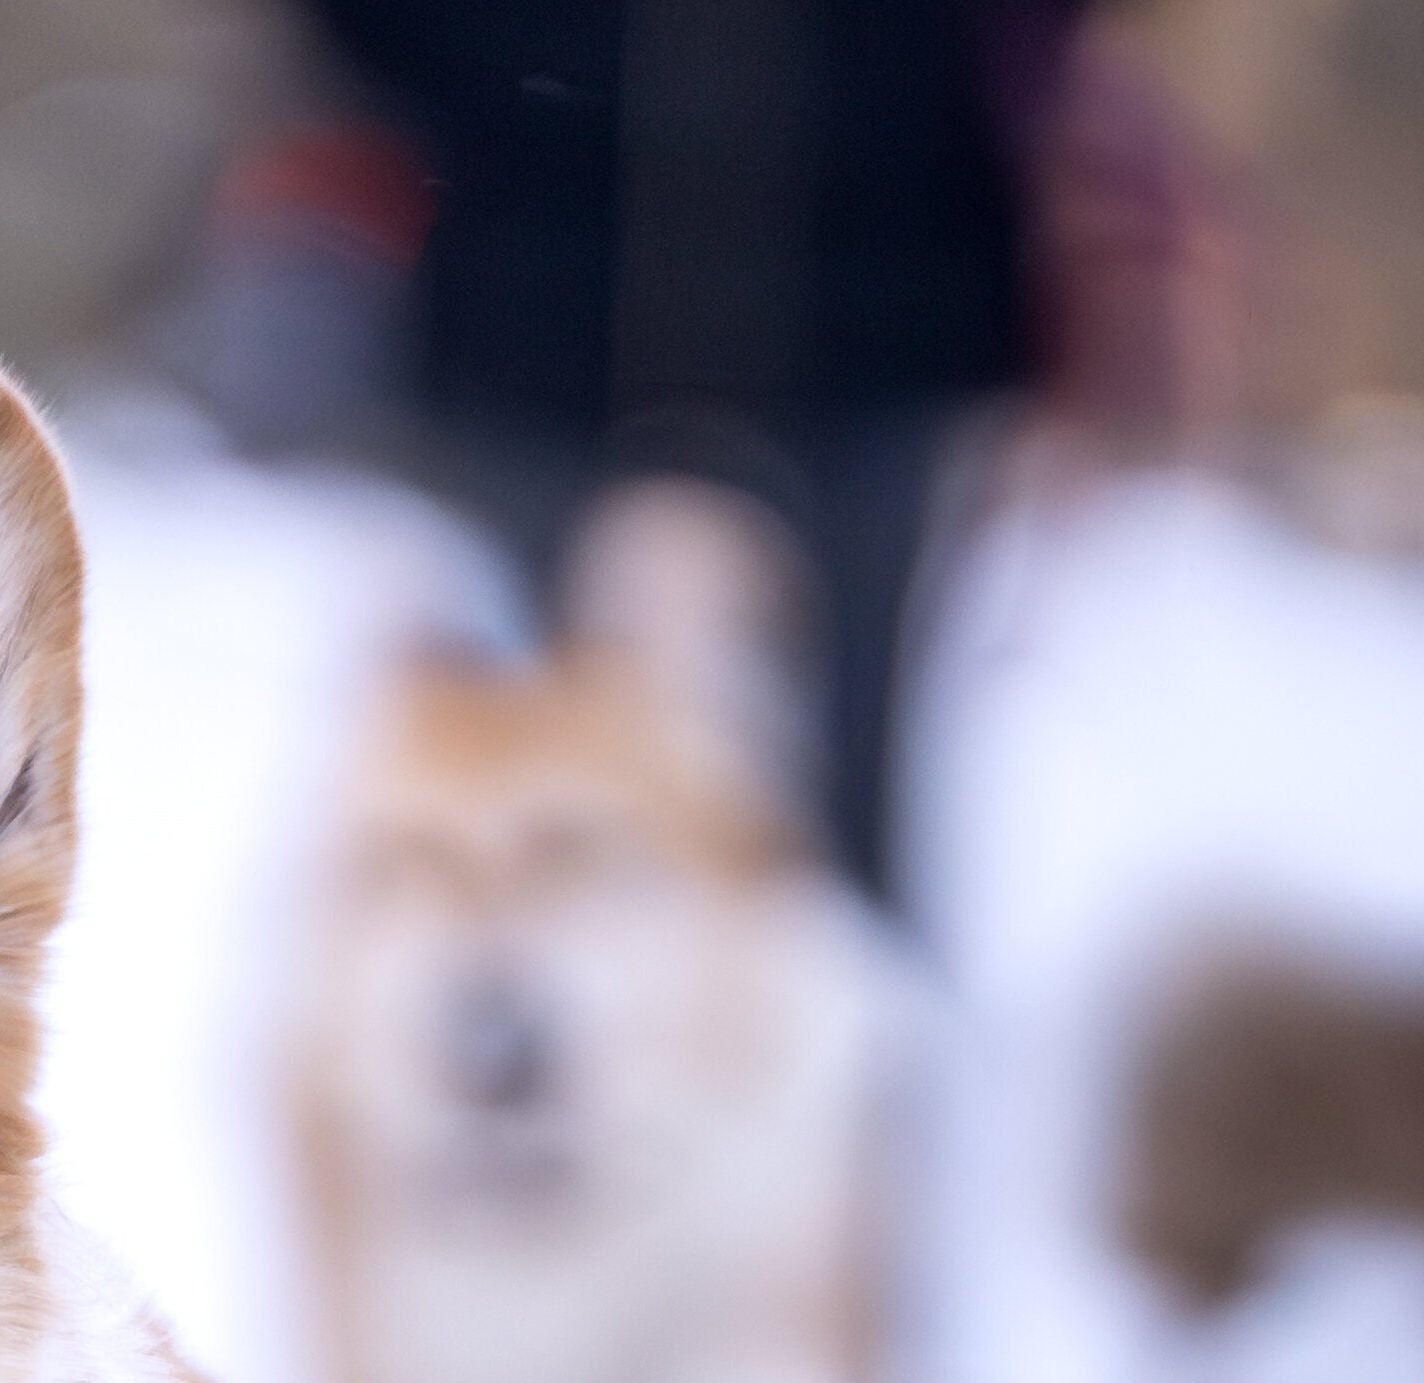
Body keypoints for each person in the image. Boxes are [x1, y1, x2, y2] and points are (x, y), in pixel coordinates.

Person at [295, 0, 1077, 908]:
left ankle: (870, 1019)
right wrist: (508, 92)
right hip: (532, 326)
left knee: (846, 818)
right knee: (513, 812)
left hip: (882, 327)